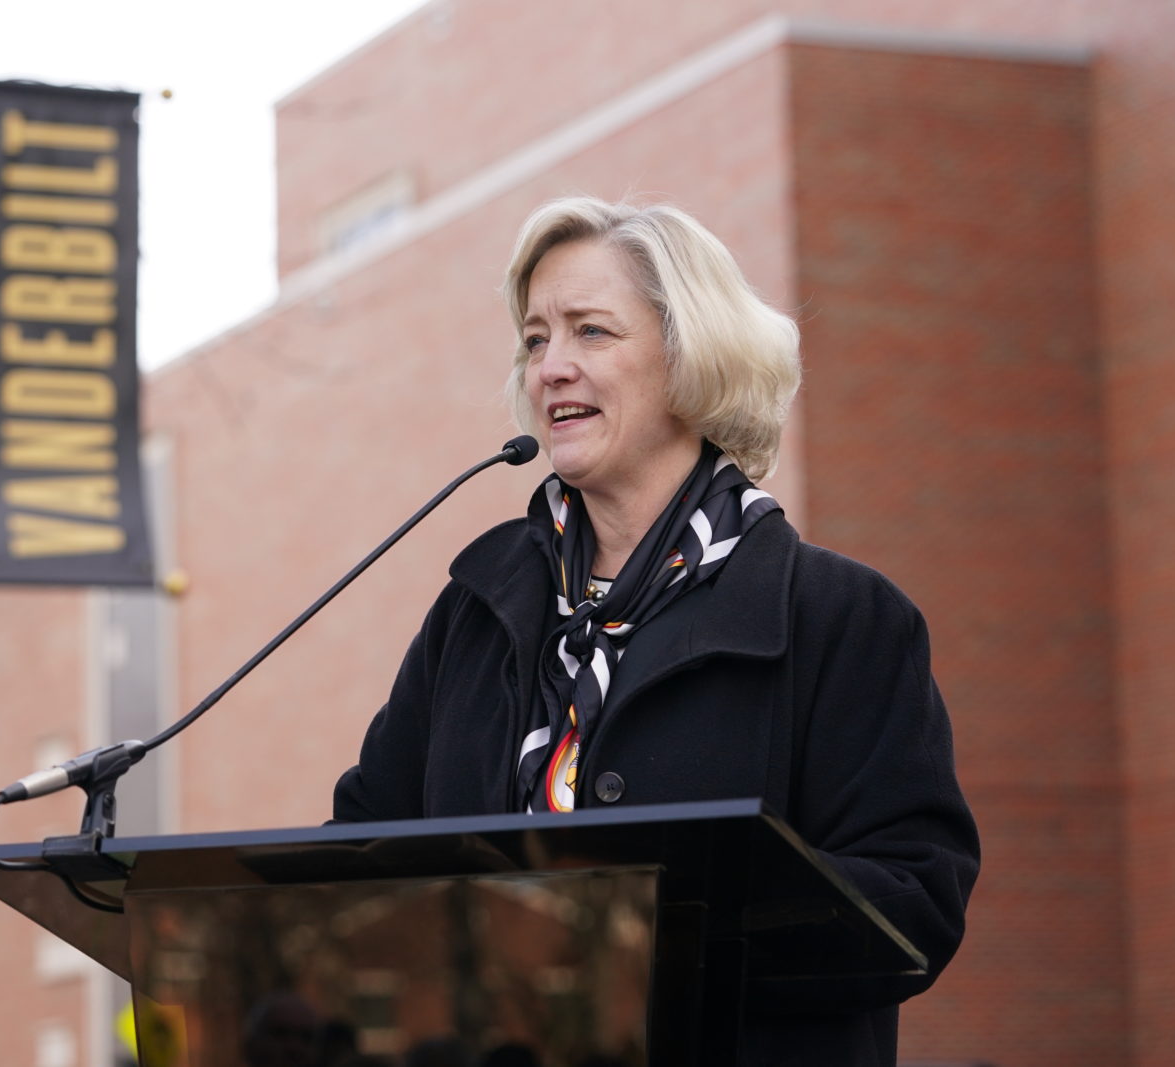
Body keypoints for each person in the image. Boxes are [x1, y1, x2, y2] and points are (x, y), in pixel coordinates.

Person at [332, 197, 979, 1064]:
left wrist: (660, 927)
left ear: (691, 355)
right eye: (534, 340)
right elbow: (359, 852)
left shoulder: (840, 616)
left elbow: (916, 900)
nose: (551, 367)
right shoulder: (474, 611)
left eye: (590, 331)